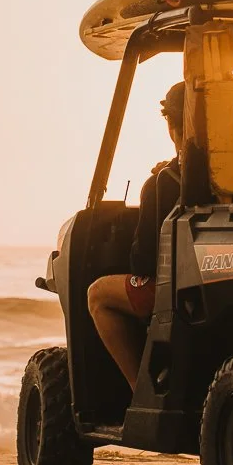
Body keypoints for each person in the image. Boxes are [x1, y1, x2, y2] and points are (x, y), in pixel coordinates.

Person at [86, 82, 185, 389]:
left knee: (98, 294)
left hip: (175, 290)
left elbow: (143, 262)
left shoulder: (163, 183)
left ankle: (140, 391)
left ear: (170, 124)